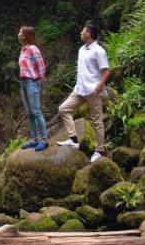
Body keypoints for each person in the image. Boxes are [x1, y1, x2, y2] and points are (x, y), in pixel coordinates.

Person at [57, 21, 110, 162]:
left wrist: (99, 85)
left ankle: (100, 151)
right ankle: (73, 138)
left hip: (93, 91)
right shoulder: (81, 49)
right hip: (79, 90)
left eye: (83, 31)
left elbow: (106, 70)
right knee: (63, 109)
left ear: (88, 34)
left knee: (97, 121)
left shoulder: (99, 51)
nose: (81, 33)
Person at [17, 25, 49, 151]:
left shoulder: (33, 49)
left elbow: (41, 66)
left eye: (20, 32)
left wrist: (37, 80)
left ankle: (44, 140)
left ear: (25, 35)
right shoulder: (23, 49)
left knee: (36, 111)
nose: (18, 33)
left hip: (31, 82)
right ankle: (34, 139)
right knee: (29, 113)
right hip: (23, 82)